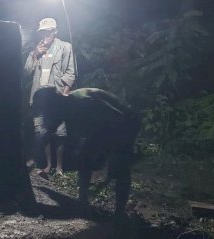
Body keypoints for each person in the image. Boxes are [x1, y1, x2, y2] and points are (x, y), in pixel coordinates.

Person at [31, 86, 140, 216]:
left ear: (54, 103)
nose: (45, 114)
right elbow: (49, 132)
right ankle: (83, 200)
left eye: (45, 109)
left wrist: (110, 151)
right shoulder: (61, 108)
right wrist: (30, 160)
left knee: (119, 166)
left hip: (125, 122)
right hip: (102, 128)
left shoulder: (84, 102)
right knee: (85, 157)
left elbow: (117, 119)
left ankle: (119, 213)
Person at [23, 17, 76, 176]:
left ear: (55, 31)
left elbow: (70, 73)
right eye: (42, 32)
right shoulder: (37, 49)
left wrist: (64, 93)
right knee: (42, 131)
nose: (45, 35)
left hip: (56, 96)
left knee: (59, 133)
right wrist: (35, 55)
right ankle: (48, 165)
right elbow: (26, 72)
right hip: (39, 98)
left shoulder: (65, 47)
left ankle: (59, 167)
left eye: (48, 32)